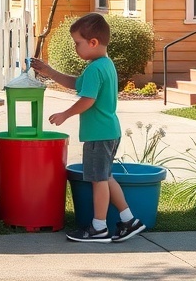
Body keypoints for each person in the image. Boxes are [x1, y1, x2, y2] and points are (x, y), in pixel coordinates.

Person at [30, 13, 145, 243]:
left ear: (92, 42)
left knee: (98, 180)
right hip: (109, 131)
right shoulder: (104, 64)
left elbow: (87, 100)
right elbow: (77, 84)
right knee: (105, 177)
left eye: (77, 43)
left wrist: (65, 114)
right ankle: (128, 219)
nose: (75, 48)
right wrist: (49, 71)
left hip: (99, 134)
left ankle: (99, 228)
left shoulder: (95, 69)